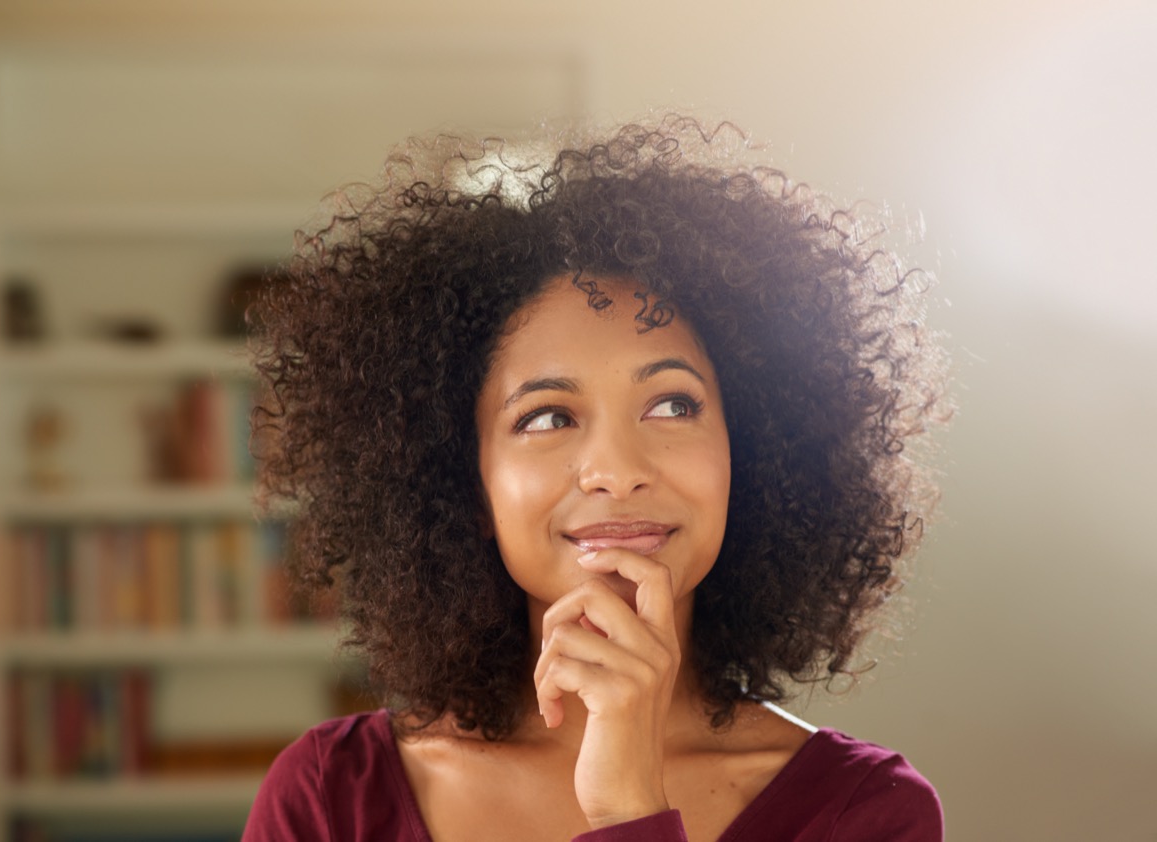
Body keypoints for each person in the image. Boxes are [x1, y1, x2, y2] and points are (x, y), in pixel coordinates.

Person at [242, 116, 948, 841]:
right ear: (465, 480)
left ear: (759, 453)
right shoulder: (331, 798)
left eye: (673, 405)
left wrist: (630, 811)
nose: (616, 471)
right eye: (547, 417)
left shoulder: (865, 813)